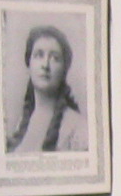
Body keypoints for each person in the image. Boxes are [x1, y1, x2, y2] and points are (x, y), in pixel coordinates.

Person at [6, 25, 86, 153]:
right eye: (39, 55)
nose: (45, 65)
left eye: (55, 58)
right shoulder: (21, 123)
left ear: (64, 70)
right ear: (29, 64)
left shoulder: (78, 128)